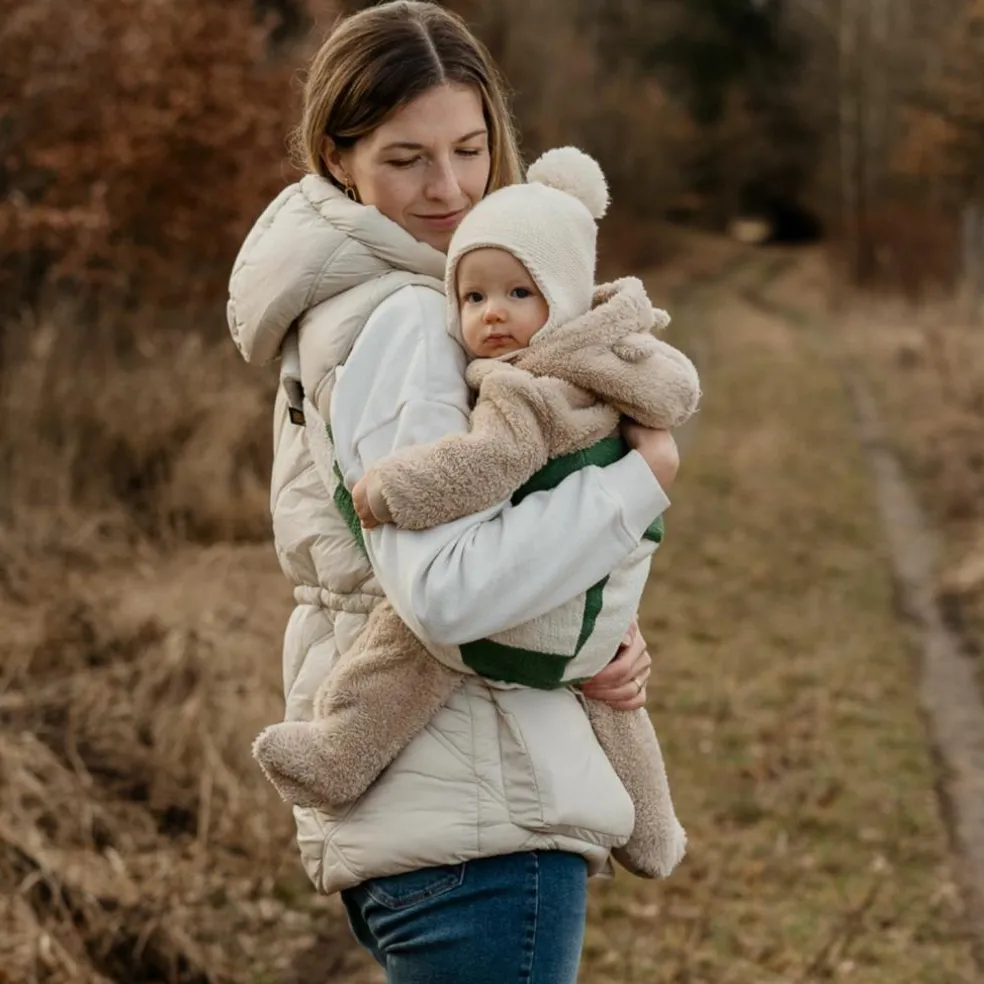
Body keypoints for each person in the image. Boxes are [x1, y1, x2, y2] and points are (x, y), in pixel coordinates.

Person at [227, 3, 681, 981]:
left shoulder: (440, 297)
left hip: (457, 810)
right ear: (338, 155)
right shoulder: (397, 319)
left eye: (470, 149)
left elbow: (468, 556)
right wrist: (637, 486)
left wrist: (586, 635)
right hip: (478, 824)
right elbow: (447, 594)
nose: (447, 187)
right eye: (405, 158)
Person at [252, 145, 697, 882]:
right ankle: (653, 833)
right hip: (531, 709)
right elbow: (672, 393)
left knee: (409, 654)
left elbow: (482, 465)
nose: (492, 315)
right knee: (614, 707)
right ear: (340, 157)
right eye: (474, 298)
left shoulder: (522, 388)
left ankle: (335, 755)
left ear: (559, 294)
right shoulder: (610, 354)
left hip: (499, 764)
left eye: (518, 295)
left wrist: (392, 490)